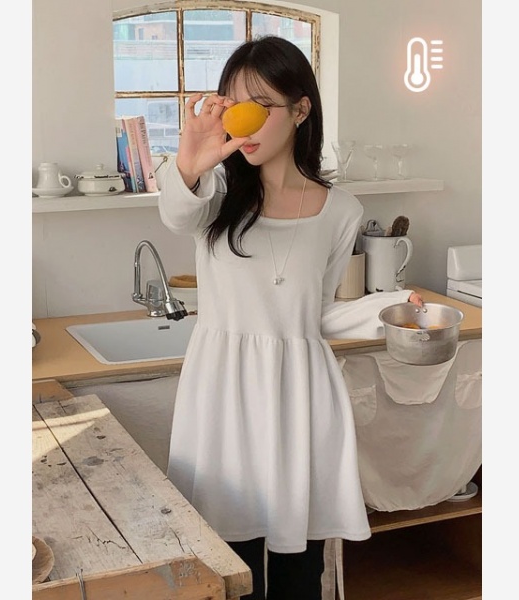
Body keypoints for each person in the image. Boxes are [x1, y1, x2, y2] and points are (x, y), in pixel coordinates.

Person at [159, 35, 423, 600]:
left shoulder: (342, 210)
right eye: (235, 105)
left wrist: (388, 310)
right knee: (228, 567)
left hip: (300, 394)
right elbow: (176, 214)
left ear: (301, 110)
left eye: (261, 105)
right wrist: (190, 163)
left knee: (301, 566)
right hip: (223, 393)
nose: (245, 120)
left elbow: (316, 312)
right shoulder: (213, 192)